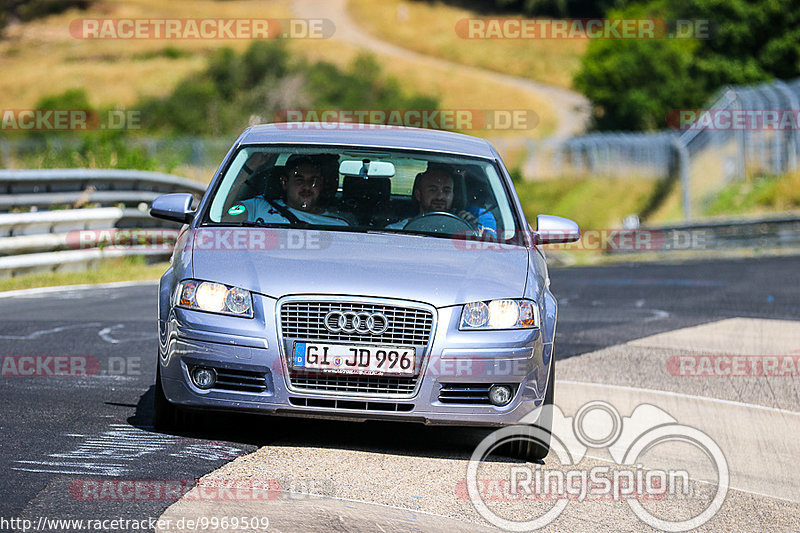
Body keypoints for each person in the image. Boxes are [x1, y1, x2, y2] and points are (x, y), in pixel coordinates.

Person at [386, 164, 497, 235]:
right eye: (433, 190)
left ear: (454, 195)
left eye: (446, 191)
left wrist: (472, 229)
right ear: (418, 195)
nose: (440, 197)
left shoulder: (468, 233)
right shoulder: (398, 231)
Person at [238, 157, 348, 226]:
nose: (307, 186)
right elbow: (222, 215)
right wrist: (250, 166)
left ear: (321, 183)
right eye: (299, 180)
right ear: (285, 183)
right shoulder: (258, 206)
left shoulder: (338, 224)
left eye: (313, 180)